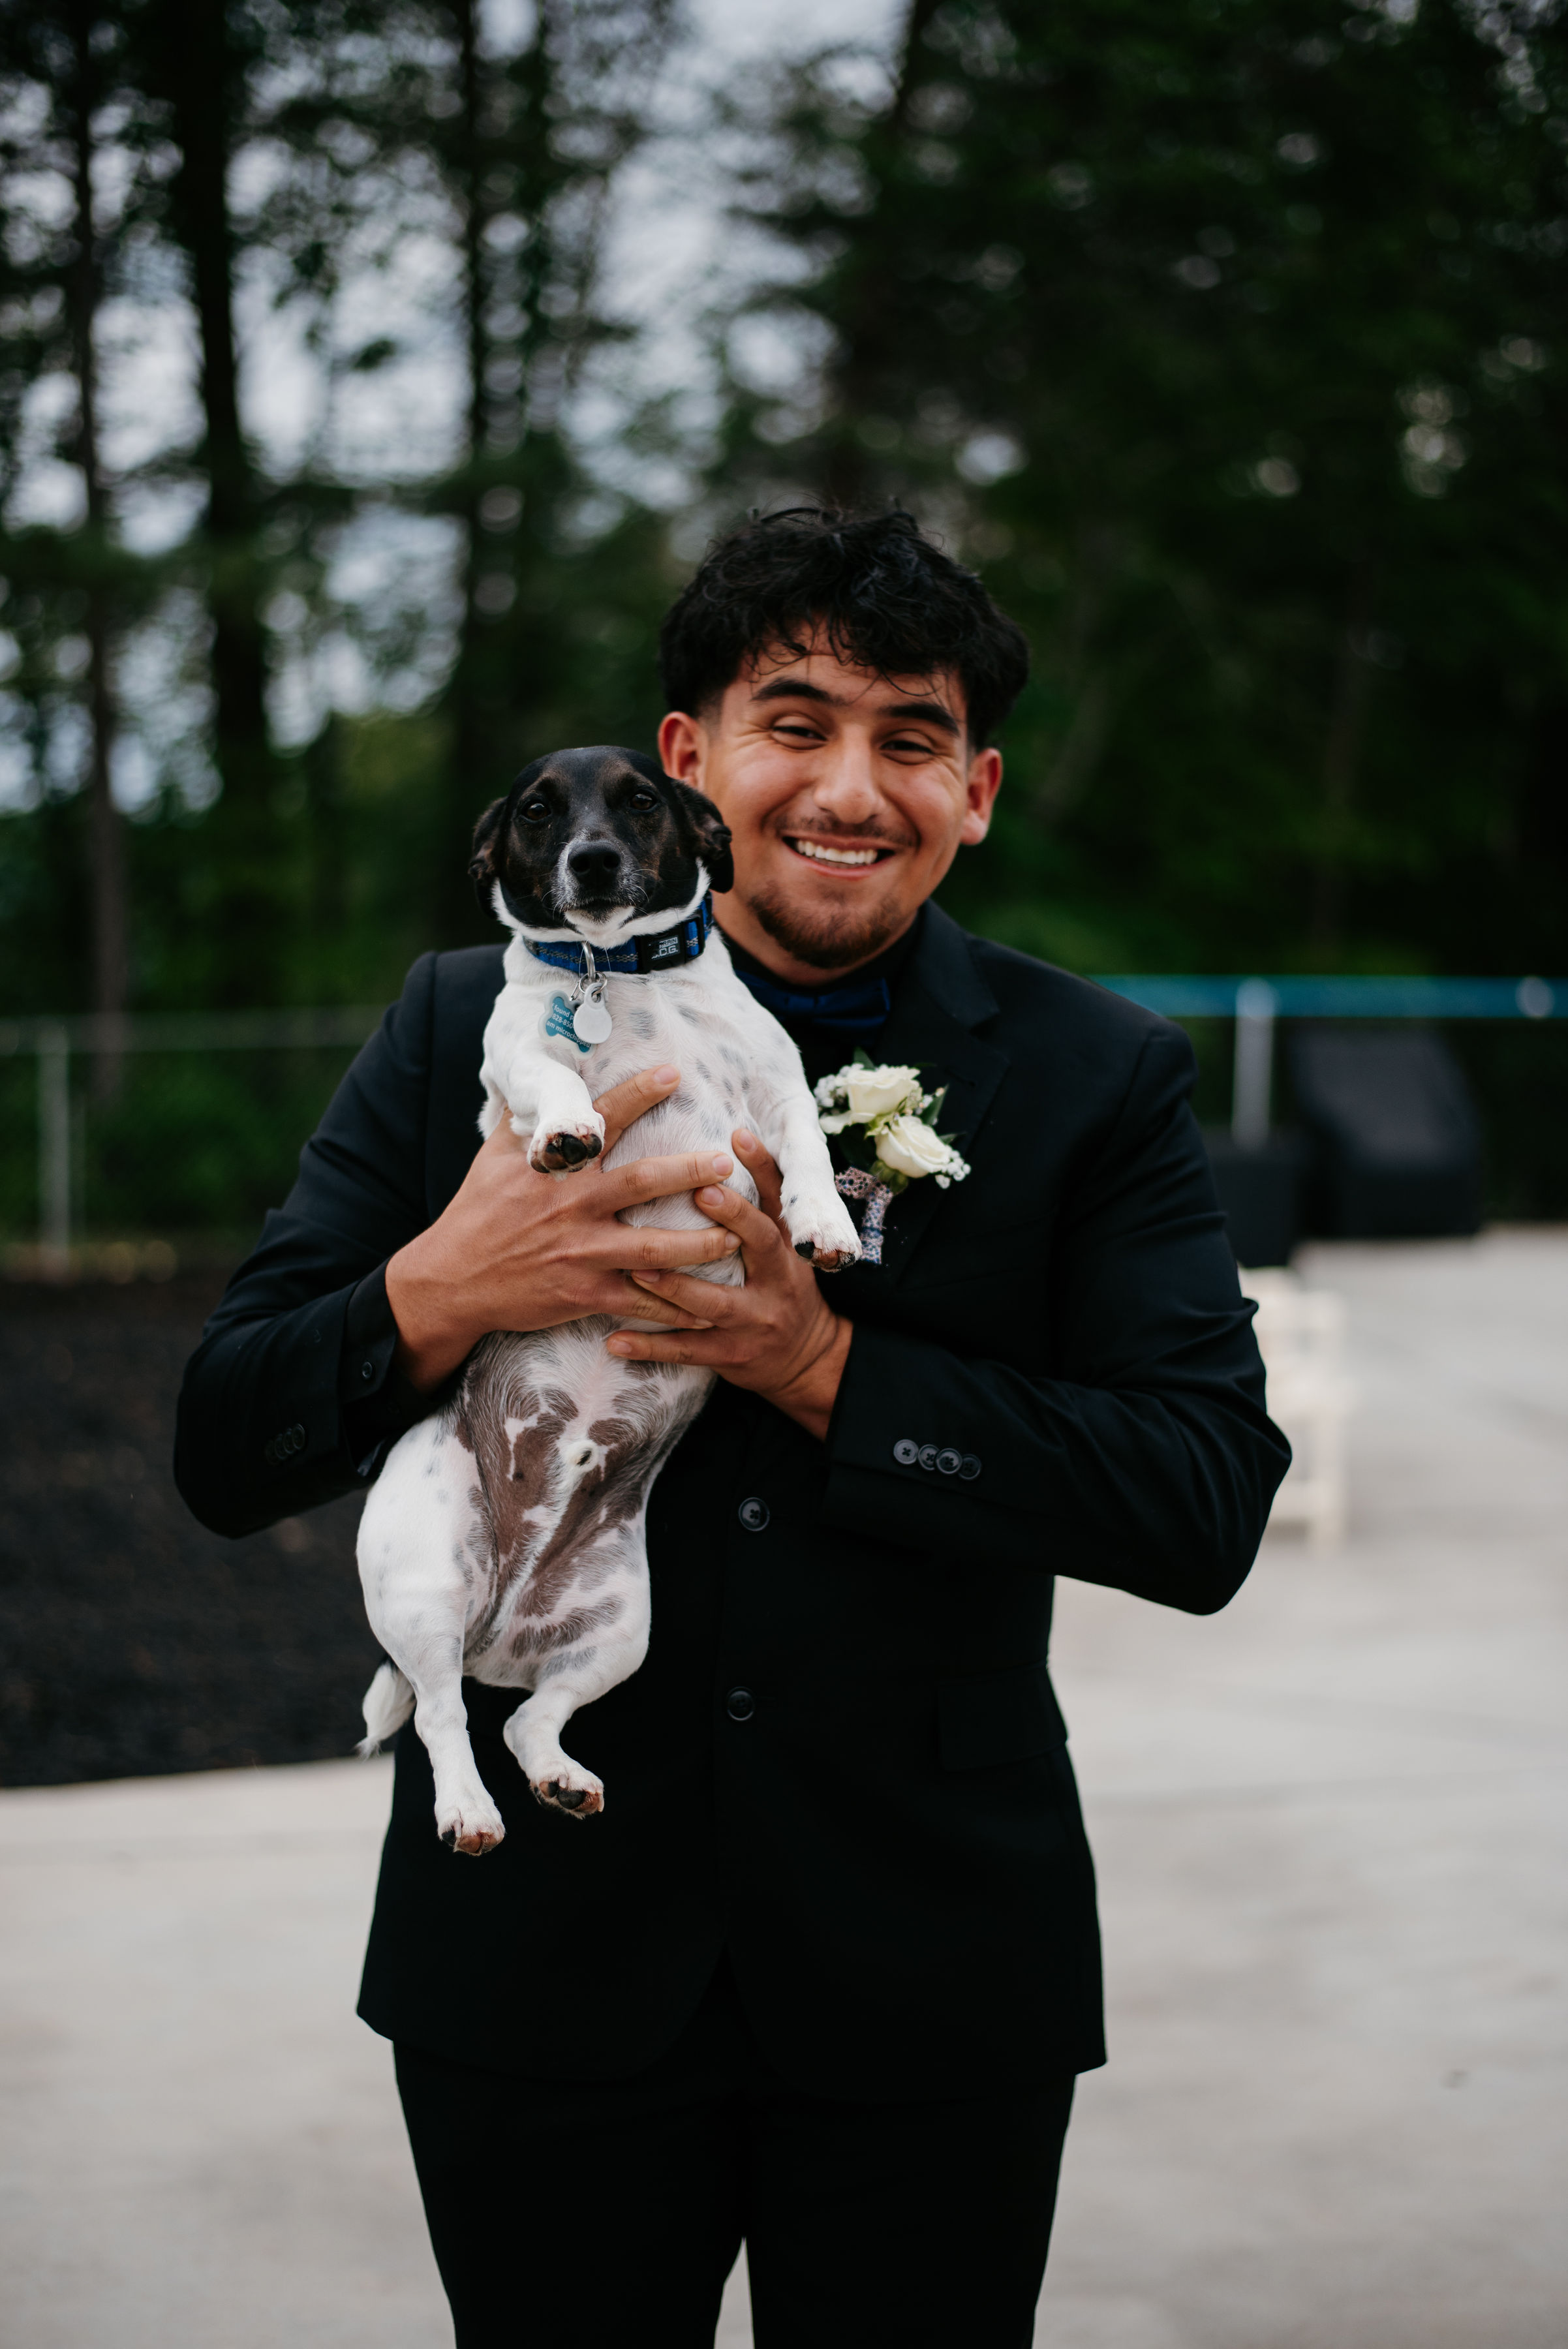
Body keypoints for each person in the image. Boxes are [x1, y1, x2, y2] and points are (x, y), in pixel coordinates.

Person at [176, 507, 1287, 2348]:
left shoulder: (1099, 1074)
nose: (850, 788)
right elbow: (228, 1442)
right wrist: (447, 1283)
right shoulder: (460, 1025)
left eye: (911, 738)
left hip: (932, 1971)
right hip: (537, 1966)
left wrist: (819, 1365)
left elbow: (1200, 1501)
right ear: (687, 764)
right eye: (795, 722)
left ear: (974, 793)